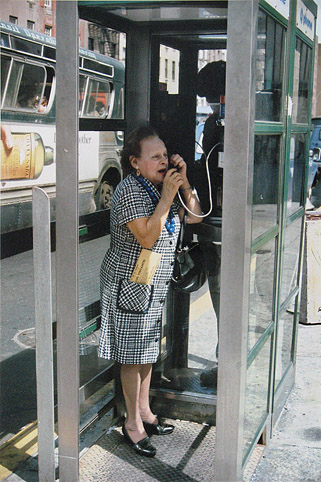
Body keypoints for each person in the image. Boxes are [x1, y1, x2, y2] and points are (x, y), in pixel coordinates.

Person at [99, 126, 202, 457]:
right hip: (129, 283)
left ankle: (144, 411)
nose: (163, 160)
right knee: (131, 356)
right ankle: (132, 423)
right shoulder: (130, 190)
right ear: (135, 162)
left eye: (164, 154)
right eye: (155, 156)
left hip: (152, 281)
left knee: (146, 352)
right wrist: (169, 197)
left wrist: (184, 181)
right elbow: (145, 237)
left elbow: (197, 216)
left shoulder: (161, 185)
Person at [191, 60, 226, 388]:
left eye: (209, 97)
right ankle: (225, 357)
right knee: (221, 296)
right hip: (214, 216)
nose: (207, 105)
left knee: (223, 294)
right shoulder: (217, 122)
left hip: (220, 220)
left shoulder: (225, 124)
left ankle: (225, 360)